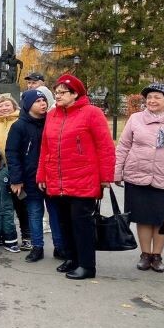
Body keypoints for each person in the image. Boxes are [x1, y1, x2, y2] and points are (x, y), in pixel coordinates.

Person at [37, 74, 115, 280]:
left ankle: (87, 265)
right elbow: (45, 147)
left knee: (81, 224)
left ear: (75, 94)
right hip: (57, 178)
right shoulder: (53, 115)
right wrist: (42, 175)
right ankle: (71, 258)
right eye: (57, 91)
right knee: (64, 222)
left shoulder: (92, 113)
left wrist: (106, 176)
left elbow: (105, 147)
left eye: (62, 92)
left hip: (84, 179)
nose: (57, 95)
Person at [114, 83, 164, 273]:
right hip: (137, 175)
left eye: (157, 97)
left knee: (161, 218)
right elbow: (124, 146)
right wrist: (117, 172)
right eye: (149, 97)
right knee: (142, 217)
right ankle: (145, 254)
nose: (152, 101)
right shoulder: (135, 119)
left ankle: (157, 255)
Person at [6, 89, 65, 263]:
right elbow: (12, 153)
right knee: (35, 213)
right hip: (30, 177)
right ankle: (37, 247)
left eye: (44, 100)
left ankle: (59, 246)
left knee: (55, 213)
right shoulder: (19, 126)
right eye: (38, 101)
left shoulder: (52, 121)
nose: (42, 104)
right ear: (28, 105)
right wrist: (16, 179)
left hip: (51, 176)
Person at [0, 95, 28, 248]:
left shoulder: (21, 121)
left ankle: (27, 236)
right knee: (1, 207)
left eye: (7, 105)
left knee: (21, 205)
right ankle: (1, 234)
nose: (4, 108)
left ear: (14, 106)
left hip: (18, 170)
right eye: (1, 106)